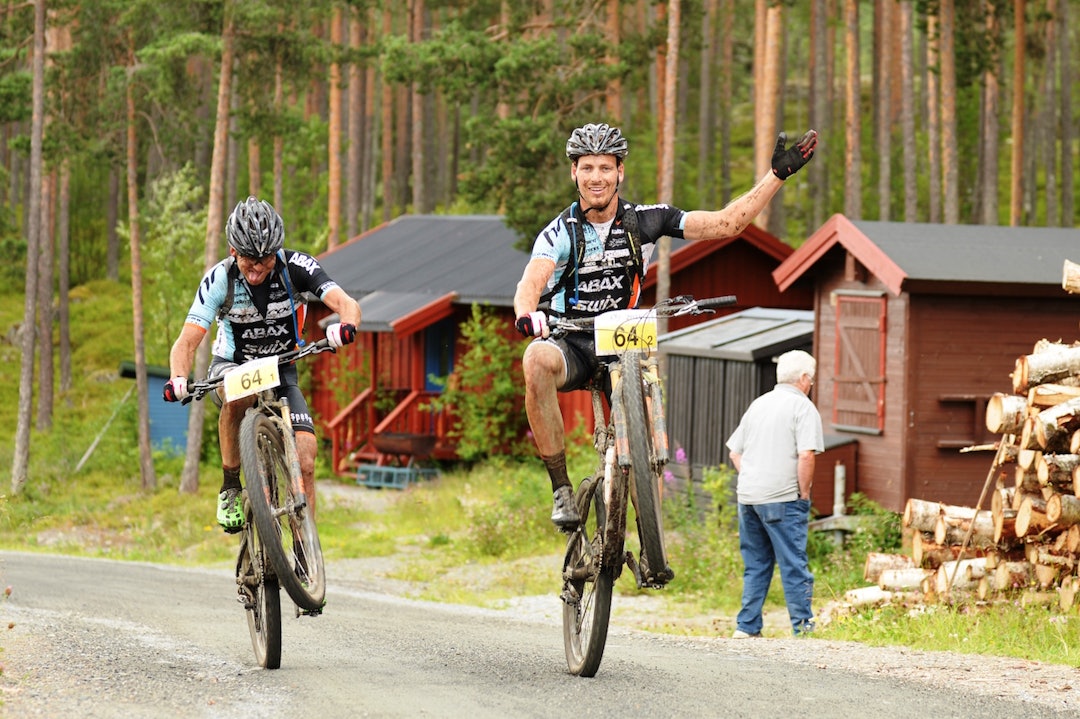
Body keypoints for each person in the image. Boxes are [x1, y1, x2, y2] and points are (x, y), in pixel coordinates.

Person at [512, 122, 817, 531]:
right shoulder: (561, 232)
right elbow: (531, 281)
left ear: (620, 171)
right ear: (574, 173)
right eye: (587, 168)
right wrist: (528, 313)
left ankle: (649, 536)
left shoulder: (648, 220)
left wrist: (776, 175)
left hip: (624, 342)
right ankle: (561, 488)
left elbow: (727, 224)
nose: (596, 177)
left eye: (605, 168)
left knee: (642, 441)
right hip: (573, 342)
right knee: (534, 360)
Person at [163, 196, 362, 532]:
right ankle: (230, 486)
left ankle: (304, 548)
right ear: (232, 251)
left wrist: (346, 325)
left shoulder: (297, 266)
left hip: (283, 365)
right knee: (238, 398)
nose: (255, 270)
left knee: (307, 458)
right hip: (233, 366)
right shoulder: (219, 280)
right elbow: (187, 340)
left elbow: (345, 302)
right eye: (248, 261)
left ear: (277, 252)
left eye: (264, 260)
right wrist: (178, 377)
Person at [726, 349, 823, 638]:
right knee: (794, 564)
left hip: (749, 497)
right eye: (812, 379)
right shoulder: (803, 407)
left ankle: (746, 627)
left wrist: (753, 476)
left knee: (756, 564)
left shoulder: (759, 404)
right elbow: (806, 455)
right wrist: (803, 492)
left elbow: (734, 452)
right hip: (783, 499)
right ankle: (803, 627)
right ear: (804, 378)